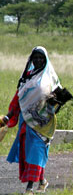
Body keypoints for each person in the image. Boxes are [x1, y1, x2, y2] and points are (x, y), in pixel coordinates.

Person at [0, 46, 63, 194]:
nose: (38, 60)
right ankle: (42, 181)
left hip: (43, 123)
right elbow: (18, 99)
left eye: (41, 58)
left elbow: (58, 103)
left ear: (46, 60)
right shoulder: (27, 77)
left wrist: (55, 102)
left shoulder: (51, 79)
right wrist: (8, 116)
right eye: (35, 57)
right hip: (26, 122)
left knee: (36, 151)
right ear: (31, 59)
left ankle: (29, 188)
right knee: (30, 152)